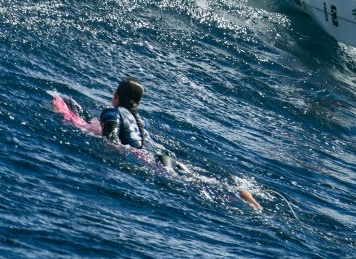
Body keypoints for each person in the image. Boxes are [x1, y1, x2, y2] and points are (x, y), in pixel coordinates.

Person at [95, 78, 262, 211]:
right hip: (165, 159)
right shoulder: (140, 121)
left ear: (116, 95)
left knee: (197, 187)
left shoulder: (112, 112)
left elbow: (111, 139)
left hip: (152, 160)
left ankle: (242, 201)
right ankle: (243, 194)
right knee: (203, 181)